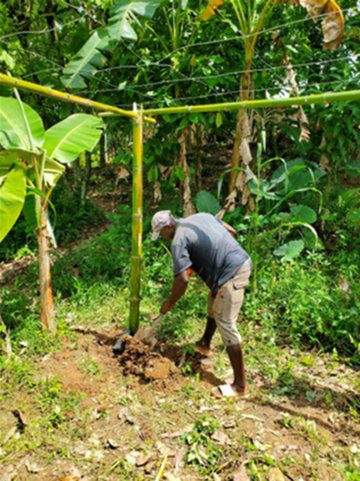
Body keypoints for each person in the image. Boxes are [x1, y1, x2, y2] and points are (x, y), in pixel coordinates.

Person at [150, 210, 252, 397]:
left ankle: (240, 386)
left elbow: (182, 280)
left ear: (167, 227)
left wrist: (170, 302)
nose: (163, 238)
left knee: (226, 322)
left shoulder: (178, 240)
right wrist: (208, 255)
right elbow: (230, 231)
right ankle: (204, 343)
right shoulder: (200, 217)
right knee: (214, 303)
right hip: (239, 262)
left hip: (232, 273)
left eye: (161, 234)